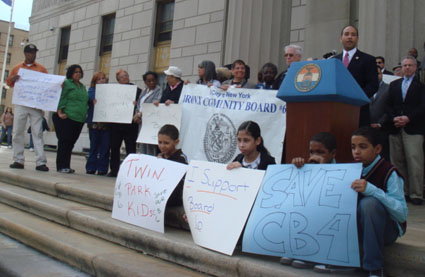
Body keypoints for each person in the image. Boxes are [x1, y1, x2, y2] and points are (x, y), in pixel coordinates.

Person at [349, 127, 407, 276]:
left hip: (386, 231)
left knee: (369, 204)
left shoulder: (389, 172)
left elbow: (401, 214)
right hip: (360, 230)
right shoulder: (350, 170)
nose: (356, 152)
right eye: (353, 147)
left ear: (378, 149)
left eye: (363, 147)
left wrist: (373, 190)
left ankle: (374, 268)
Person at [280, 132, 336, 269]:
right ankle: (296, 249)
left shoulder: (340, 171)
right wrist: (298, 168)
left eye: (320, 152)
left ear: (333, 153)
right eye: (311, 152)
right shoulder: (307, 166)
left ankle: (317, 256)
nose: (314, 156)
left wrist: (324, 168)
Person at [384, 56, 425, 205]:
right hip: (395, 128)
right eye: (404, 65)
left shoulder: (421, 86)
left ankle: (416, 193)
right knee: (398, 162)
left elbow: (422, 107)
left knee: (415, 161)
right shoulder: (394, 85)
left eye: (410, 65)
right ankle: (403, 191)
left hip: (413, 128)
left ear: (415, 68)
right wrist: (395, 117)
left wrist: (408, 118)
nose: (407, 68)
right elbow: (387, 105)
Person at [6, 44, 49, 171]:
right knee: (18, 131)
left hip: (35, 104)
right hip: (21, 103)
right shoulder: (17, 67)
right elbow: (9, 83)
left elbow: (47, 84)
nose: (32, 55)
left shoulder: (41, 68)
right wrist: (12, 78)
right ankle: (18, 159)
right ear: (25, 54)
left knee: (37, 132)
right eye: (30, 52)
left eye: (34, 52)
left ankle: (41, 161)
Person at [335, 25, 379, 127]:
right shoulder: (334, 60)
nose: (350, 37)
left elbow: (373, 85)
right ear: (341, 38)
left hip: (358, 111)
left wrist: (356, 98)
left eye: (353, 35)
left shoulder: (368, 59)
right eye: (346, 34)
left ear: (357, 39)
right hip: (337, 110)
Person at [52, 64, 88, 173]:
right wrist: (60, 112)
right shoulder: (66, 83)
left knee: (71, 143)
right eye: (75, 72)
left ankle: (66, 165)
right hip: (67, 117)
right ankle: (61, 165)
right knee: (64, 142)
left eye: (79, 72)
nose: (78, 74)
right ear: (71, 73)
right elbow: (62, 97)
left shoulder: (82, 86)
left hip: (79, 119)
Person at [108, 69, 141, 177]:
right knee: (114, 147)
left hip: (130, 124)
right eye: (122, 77)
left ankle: (130, 172)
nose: (125, 78)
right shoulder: (113, 91)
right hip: (116, 124)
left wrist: (136, 104)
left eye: (126, 75)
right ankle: (114, 170)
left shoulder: (137, 90)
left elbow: (141, 105)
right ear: (118, 80)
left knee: (130, 148)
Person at [85, 72, 110, 175]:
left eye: (103, 78)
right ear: (95, 81)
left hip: (106, 123)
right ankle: (91, 167)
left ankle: (102, 169)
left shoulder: (109, 91)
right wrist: (94, 99)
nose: (102, 81)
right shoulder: (92, 90)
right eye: (99, 79)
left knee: (105, 147)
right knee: (94, 146)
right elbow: (91, 98)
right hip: (94, 123)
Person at [157, 124, 188, 206]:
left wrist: (163, 163)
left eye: (166, 143)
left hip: (175, 202)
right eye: (159, 142)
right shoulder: (159, 157)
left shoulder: (181, 159)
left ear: (176, 142)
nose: (162, 146)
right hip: (160, 200)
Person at [133, 71, 162, 156]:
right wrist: (137, 114)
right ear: (145, 82)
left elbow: (152, 106)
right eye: (149, 81)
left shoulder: (159, 90)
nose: (151, 82)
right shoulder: (144, 91)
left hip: (151, 122)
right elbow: (139, 104)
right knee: (142, 145)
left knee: (150, 146)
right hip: (141, 122)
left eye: (153, 80)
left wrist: (139, 115)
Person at [369, 66, 390, 161]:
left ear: (381, 74)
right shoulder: (366, 88)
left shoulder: (389, 88)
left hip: (383, 129)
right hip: (368, 129)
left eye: (377, 73)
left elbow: (390, 108)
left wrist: (380, 123)